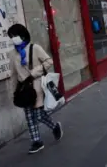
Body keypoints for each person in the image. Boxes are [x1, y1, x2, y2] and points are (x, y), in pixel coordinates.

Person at [8, 24, 63, 154]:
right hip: (24, 90)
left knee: (38, 115)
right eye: (11, 37)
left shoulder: (35, 48)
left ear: (22, 34)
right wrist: (13, 92)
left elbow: (49, 61)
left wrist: (34, 72)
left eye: (14, 35)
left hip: (37, 86)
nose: (13, 39)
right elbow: (13, 75)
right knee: (29, 116)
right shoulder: (12, 54)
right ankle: (36, 142)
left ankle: (55, 127)